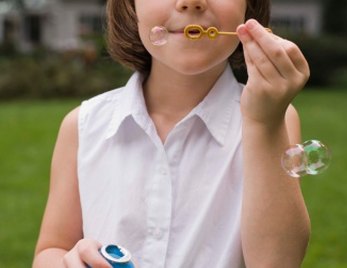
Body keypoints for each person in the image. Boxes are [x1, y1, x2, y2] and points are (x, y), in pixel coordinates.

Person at [33, 0, 311, 267]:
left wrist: (265, 123)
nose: (191, 2)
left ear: (249, 7)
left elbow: (276, 263)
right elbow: (51, 249)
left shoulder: (271, 119)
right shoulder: (84, 125)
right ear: (131, 6)